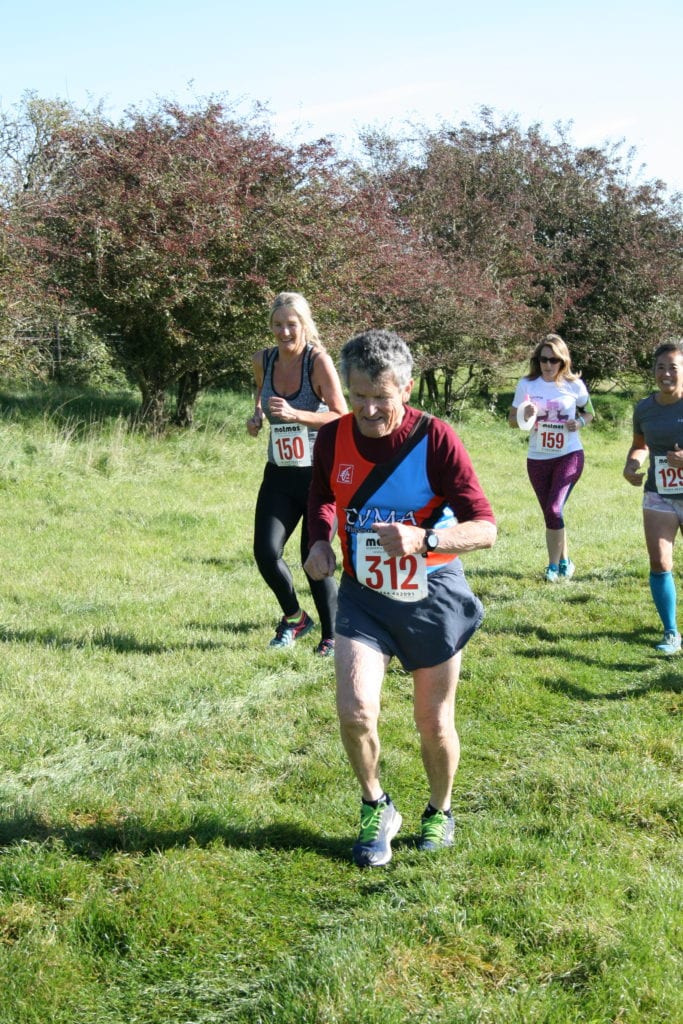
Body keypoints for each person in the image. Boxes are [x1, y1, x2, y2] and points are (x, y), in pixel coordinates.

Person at [304, 329, 496, 867]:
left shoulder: (436, 439)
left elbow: (485, 527)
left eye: (381, 397)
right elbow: (322, 497)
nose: (368, 409)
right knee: (355, 711)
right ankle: (376, 806)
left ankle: (440, 809)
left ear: (406, 389)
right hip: (363, 596)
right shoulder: (333, 438)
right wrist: (318, 541)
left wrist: (425, 539)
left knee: (433, 723)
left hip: (431, 594)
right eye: (358, 395)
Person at [247, 292, 347, 654]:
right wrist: (256, 417)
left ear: (304, 324)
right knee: (265, 552)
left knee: (313, 557)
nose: (284, 332)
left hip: (319, 476)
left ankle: (332, 636)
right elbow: (260, 395)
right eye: (278, 325)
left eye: (291, 324)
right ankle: (295, 617)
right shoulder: (263, 359)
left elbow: (342, 415)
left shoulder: (317, 362)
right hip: (279, 474)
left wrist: (297, 415)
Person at [509, 334, 594, 581]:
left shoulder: (574, 385)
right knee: (551, 513)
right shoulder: (527, 385)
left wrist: (579, 423)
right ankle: (565, 560)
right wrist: (526, 415)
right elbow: (512, 421)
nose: (548, 365)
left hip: (569, 455)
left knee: (555, 508)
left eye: (554, 360)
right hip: (537, 458)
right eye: (543, 359)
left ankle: (553, 567)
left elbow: (589, 412)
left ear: (563, 361)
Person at [623, 341, 683, 655]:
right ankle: (671, 632)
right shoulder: (644, 408)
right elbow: (640, 445)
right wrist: (632, 464)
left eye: (673, 367)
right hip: (659, 493)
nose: (666, 373)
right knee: (659, 562)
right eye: (661, 367)